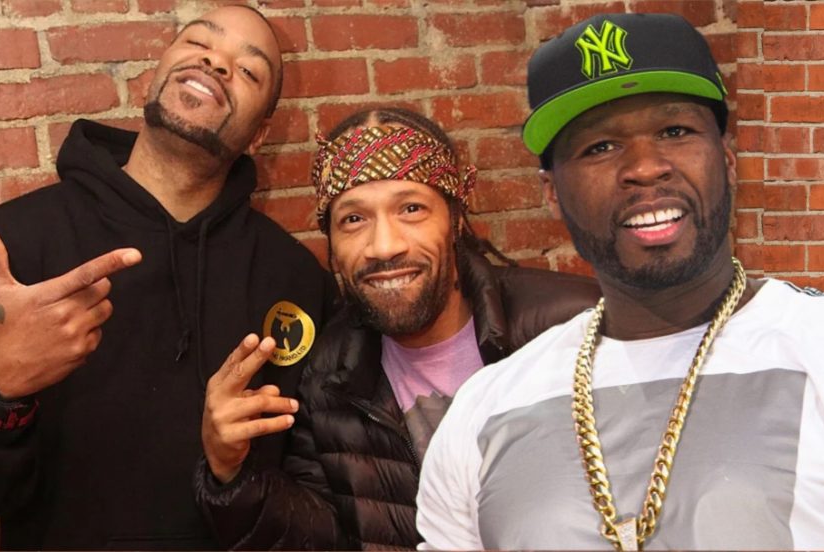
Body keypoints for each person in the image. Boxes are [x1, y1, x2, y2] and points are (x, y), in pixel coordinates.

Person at [417, 12, 824, 551]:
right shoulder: (485, 410)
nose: (644, 167)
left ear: (727, 159)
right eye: (600, 147)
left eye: (675, 131)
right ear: (551, 193)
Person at [0, 5, 335, 550]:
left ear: (260, 134)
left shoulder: (297, 280)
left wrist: (233, 468)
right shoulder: (12, 248)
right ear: (157, 71)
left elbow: (321, 498)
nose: (216, 63)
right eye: (198, 43)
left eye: (248, 70)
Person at [193, 107, 602, 549]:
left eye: (411, 209)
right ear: (331, 244)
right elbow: (323, 539)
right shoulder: (327, 378)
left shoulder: (576, 328)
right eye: (354, 219)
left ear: (455, 220)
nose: (384, 246)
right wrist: (230, 472)